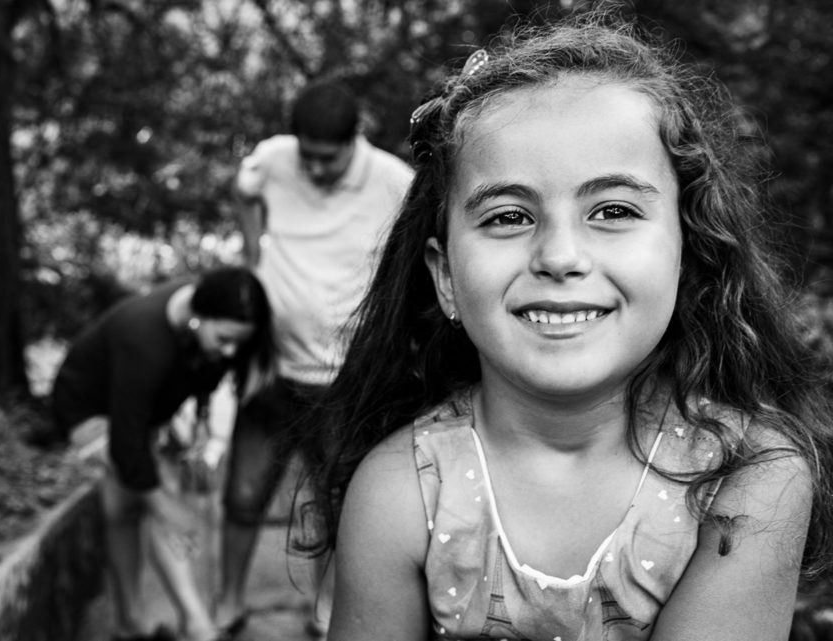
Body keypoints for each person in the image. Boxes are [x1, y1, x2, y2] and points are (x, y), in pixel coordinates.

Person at [303, 15, 833, 641]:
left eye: (613, 210)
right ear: (445, 278)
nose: (559, 256)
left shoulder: (750, 480)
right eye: (508, 217)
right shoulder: (401, 492)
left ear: (688, 252)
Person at [215, 79, 414, 636]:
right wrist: (253, 255)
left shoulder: (393, 182)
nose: (317, 169)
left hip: (344, 381)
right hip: (271, 372)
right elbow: (243, 190)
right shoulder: (274, 159)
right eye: (309, 156)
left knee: (337, 504)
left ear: (355, 139)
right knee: (243, 493)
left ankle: (325, 616)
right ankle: (227, 604)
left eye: (329, 158)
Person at [51, 267, 274, 641]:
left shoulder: (205, 311)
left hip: (138, 414)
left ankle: (130, 624)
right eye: (224, 339)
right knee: (156, 496)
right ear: (198, 317)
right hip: (88, 410)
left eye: (239, 342)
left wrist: (202, 424)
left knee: (123, 507)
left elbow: (203, 373)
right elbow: (127, 445)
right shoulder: (143, 338)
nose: (231, 351)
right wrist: (167, 507)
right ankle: (196, 626)